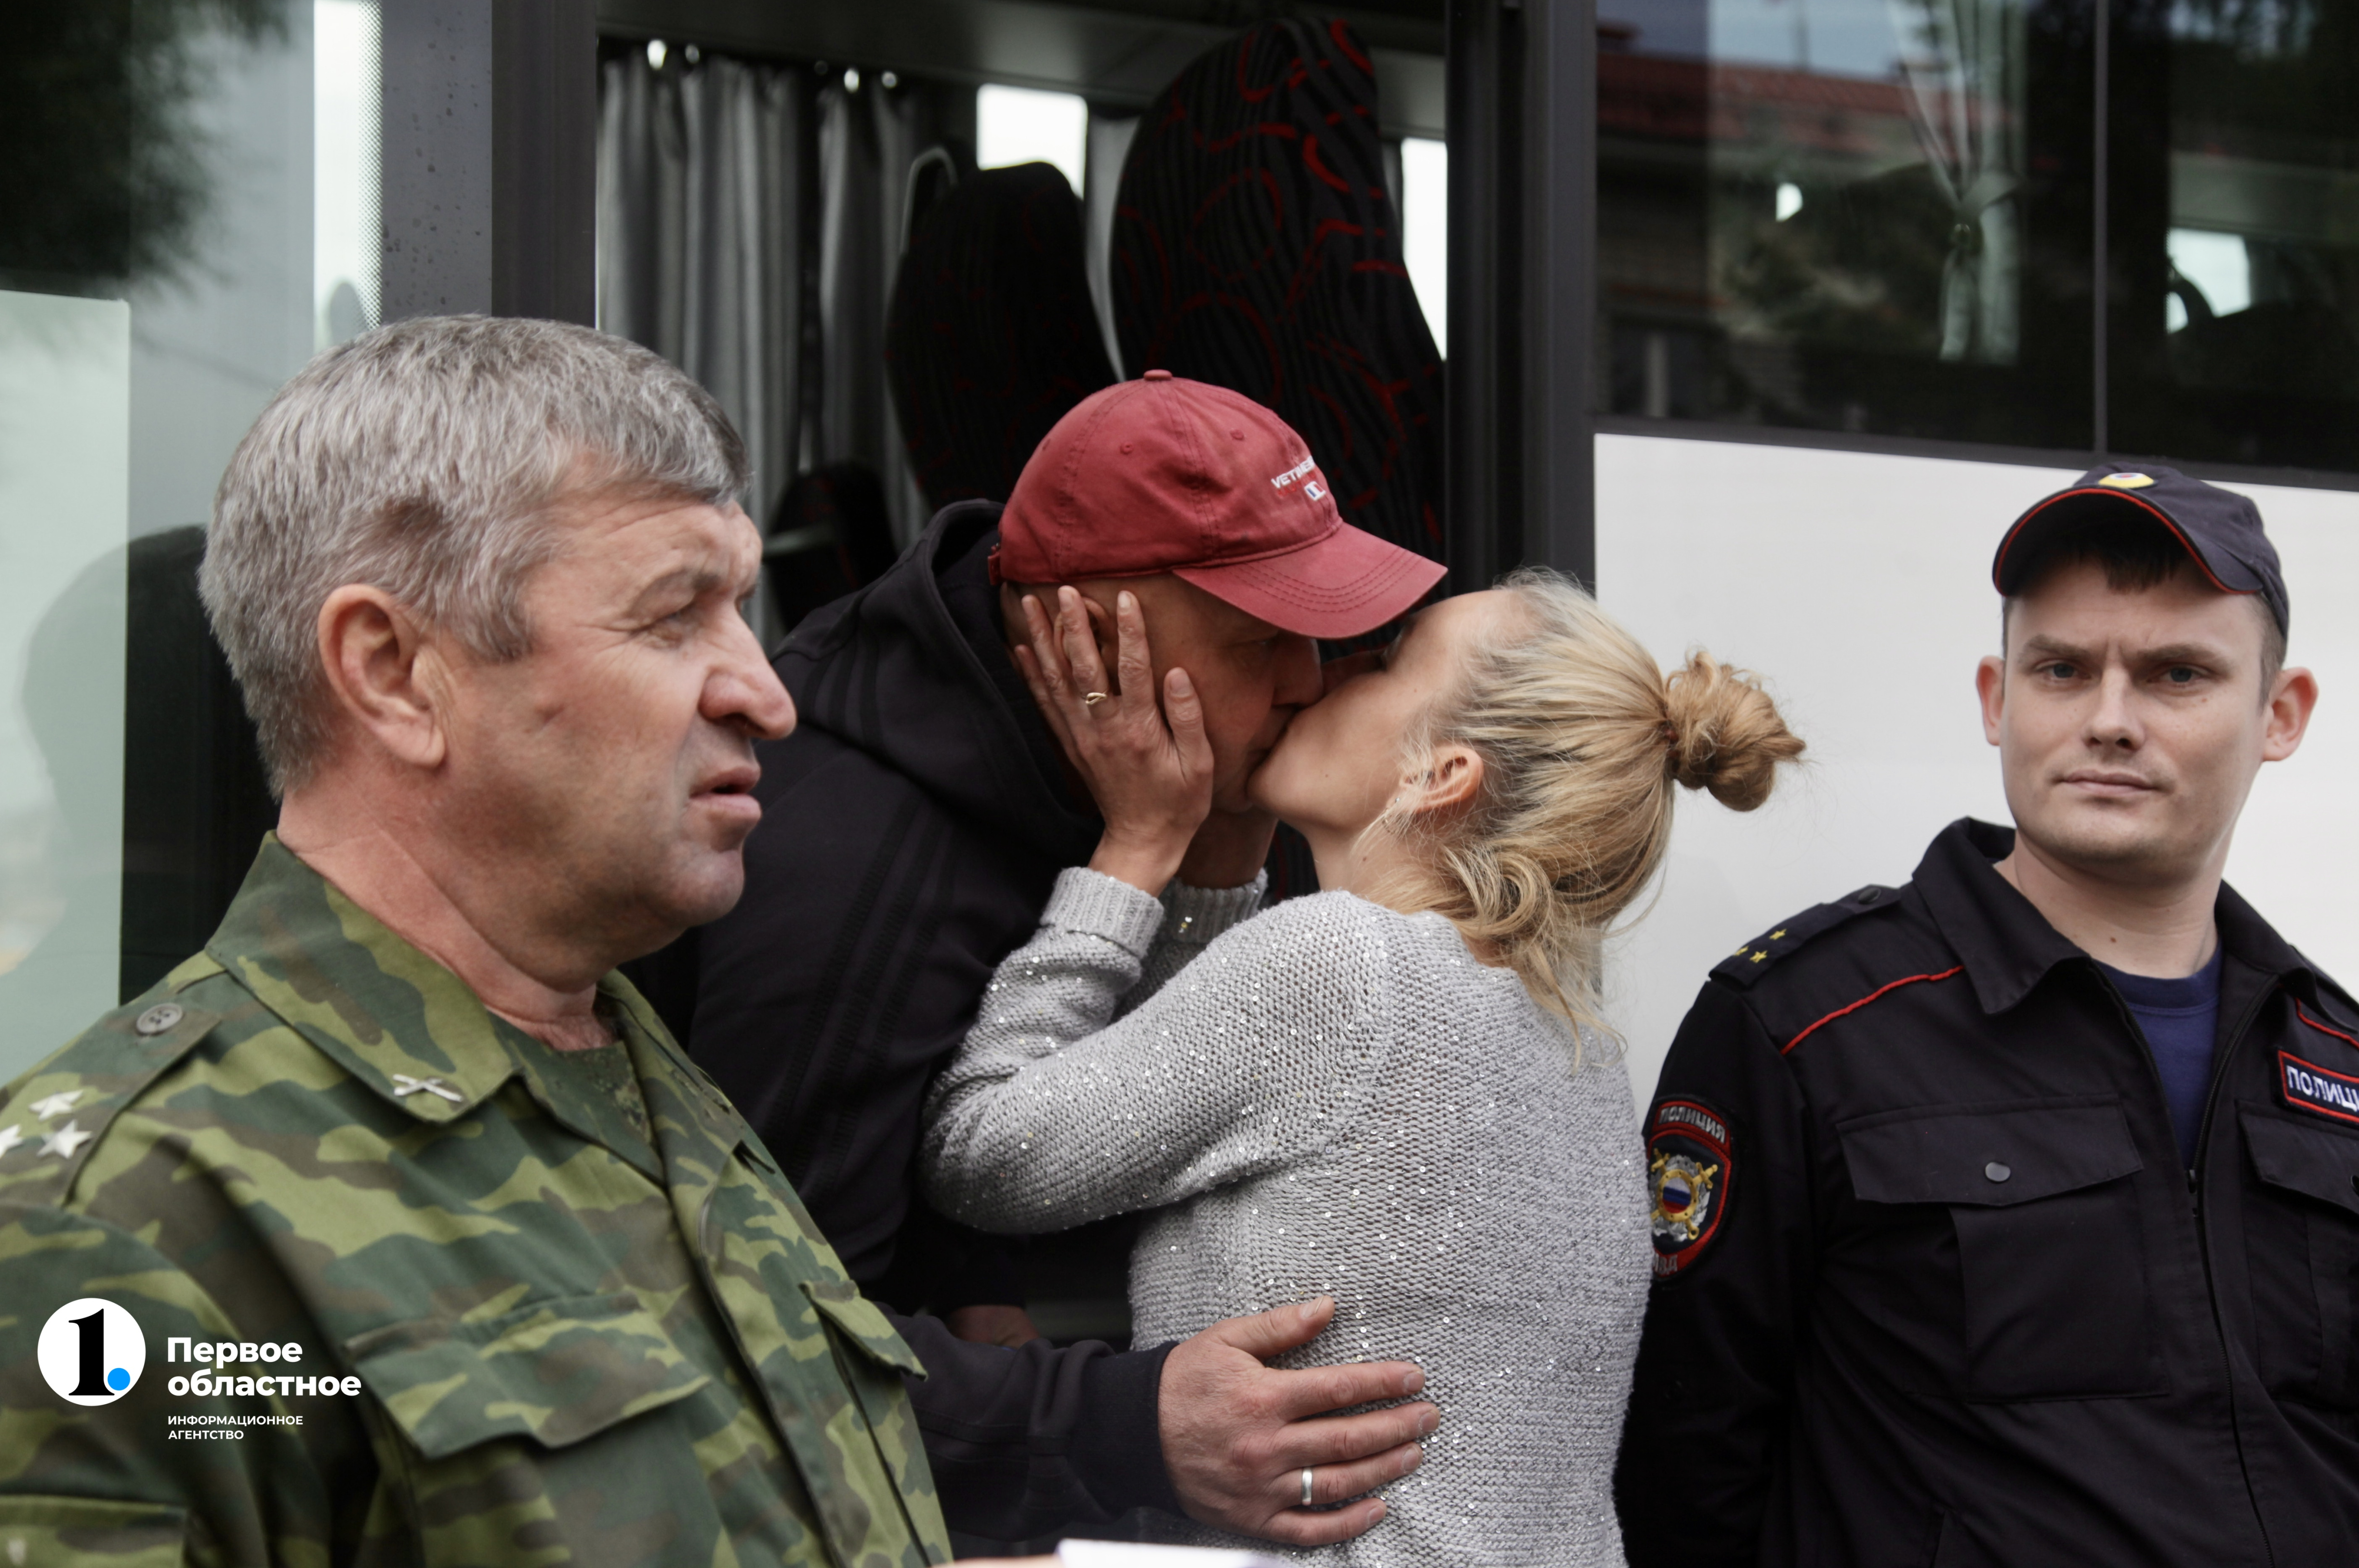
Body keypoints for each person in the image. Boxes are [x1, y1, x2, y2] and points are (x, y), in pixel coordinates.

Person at [0, 318, 1424, 1564]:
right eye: (674, 616)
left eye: (740, 609)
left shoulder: (644, 1090)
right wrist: (1114, 1422)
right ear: (396, 674)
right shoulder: (125, 1216)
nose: (767, 692)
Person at [658, 369, 1450, 1543]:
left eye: (1317, 633)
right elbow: (756, 1352)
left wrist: (973, 1282)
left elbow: (1150, 1145)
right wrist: (1119, 1427)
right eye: (1258, 640)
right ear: (1074, 630)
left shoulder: (1142, 770)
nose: (1304, 681)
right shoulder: (851, 878)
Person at [924, 569, 1806, 1563]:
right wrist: (1219, 866)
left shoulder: (1340, 969)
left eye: (1386, 661)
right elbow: (1195, 1100)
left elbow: (981, 1154)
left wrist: (1135, 848)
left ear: (1441, 774)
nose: (1323, 674)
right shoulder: (1577, 1041)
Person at [1615, 464, 2357, 1566]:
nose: (2111, 721)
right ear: (1997, 699)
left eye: (2177, 674)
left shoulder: (2338, 1060)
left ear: (2279, 715)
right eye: (2063, 669)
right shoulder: (1805, 1027)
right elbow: (1681, 1476)